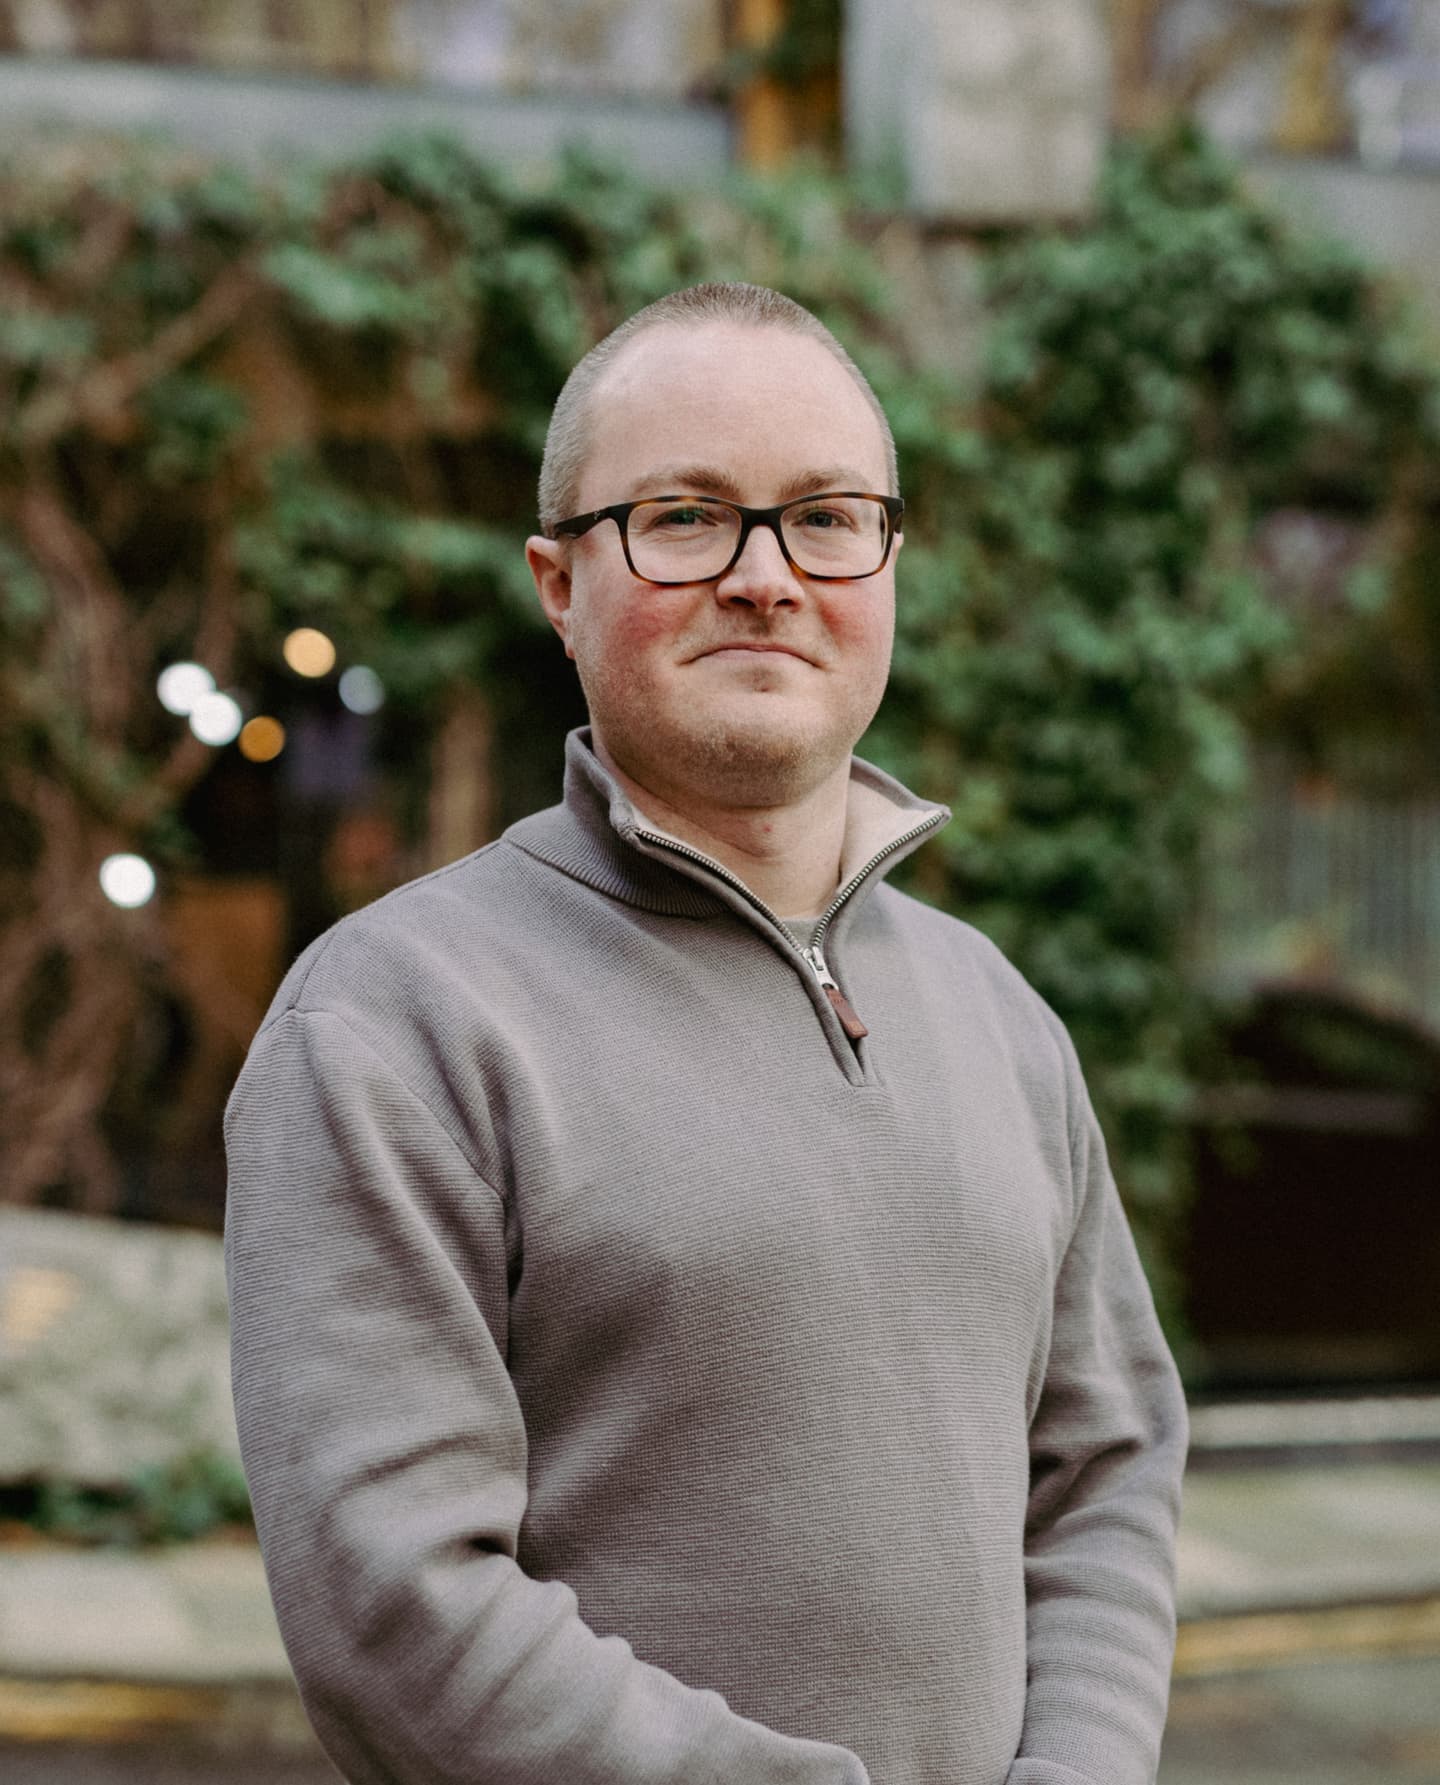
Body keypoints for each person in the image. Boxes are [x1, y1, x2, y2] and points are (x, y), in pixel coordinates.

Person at [225, 281, 1188, 1785]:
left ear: (887, 563)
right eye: (685, 516)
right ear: (558, 582)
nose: (765, 576)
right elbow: (396, 1605)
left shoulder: (999, 1012)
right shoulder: (390, 1019)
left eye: (825, 516)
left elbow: (1107, 1466)